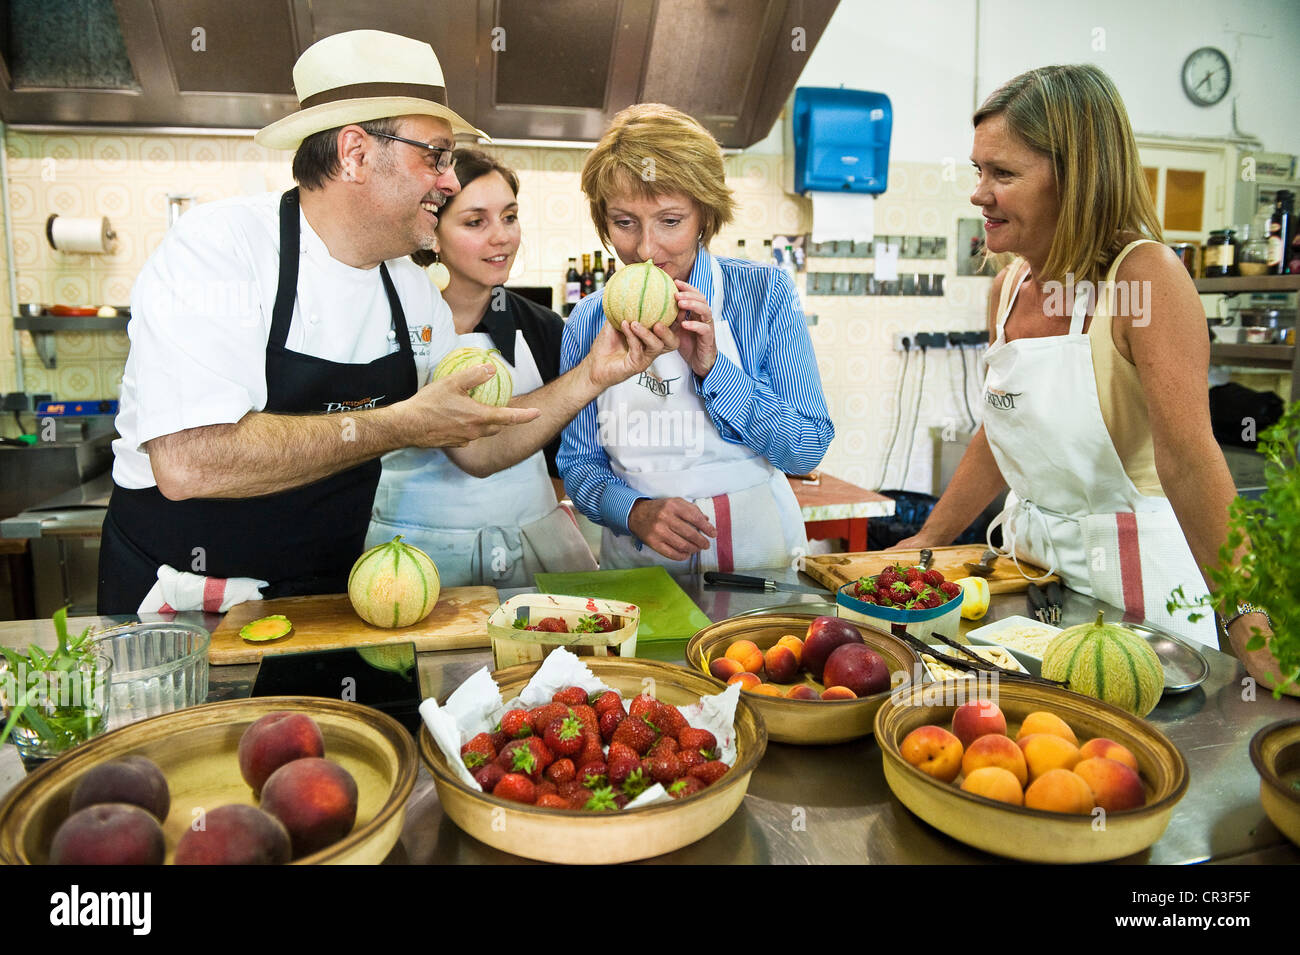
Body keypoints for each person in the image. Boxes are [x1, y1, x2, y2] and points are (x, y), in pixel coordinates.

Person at [96, 30, 669, 614]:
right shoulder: (222, 249)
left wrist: (593, 374)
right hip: (184, 597)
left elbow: (475, 448)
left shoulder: (409, 288)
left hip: (333, 598)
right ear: (355, 153)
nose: (448, 180)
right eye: (435, 156)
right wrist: (400, 424)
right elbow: (190, 462)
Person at [896, 64, 1246, 650]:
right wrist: (926, 540)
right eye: (979, 170)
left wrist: (1251, 619)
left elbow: (1190, 461)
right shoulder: (1007, 291)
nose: (979, 192)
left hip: (1139, 595)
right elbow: (1002, 433)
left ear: (1077, 177)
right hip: (1038, 581)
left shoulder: (1145, 280)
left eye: (1003, 173)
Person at [558, 103, 834, 572]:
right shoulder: (587, 321)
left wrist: (711, 366)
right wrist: (632, 511)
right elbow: (579, 464)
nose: (646, 250)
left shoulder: (763, 293)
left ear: (704, 215)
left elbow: (806, 446)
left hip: (756, 560)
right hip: (640, 566)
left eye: (670, 221)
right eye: (624, 223)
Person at [366, 149, 597, 586]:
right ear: (432, 231)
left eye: (509, 217)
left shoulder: (542, 326)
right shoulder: (386, 322)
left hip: (538, 552)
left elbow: (563, 457)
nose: (502, 237)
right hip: (413, 561)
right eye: (476, 222)